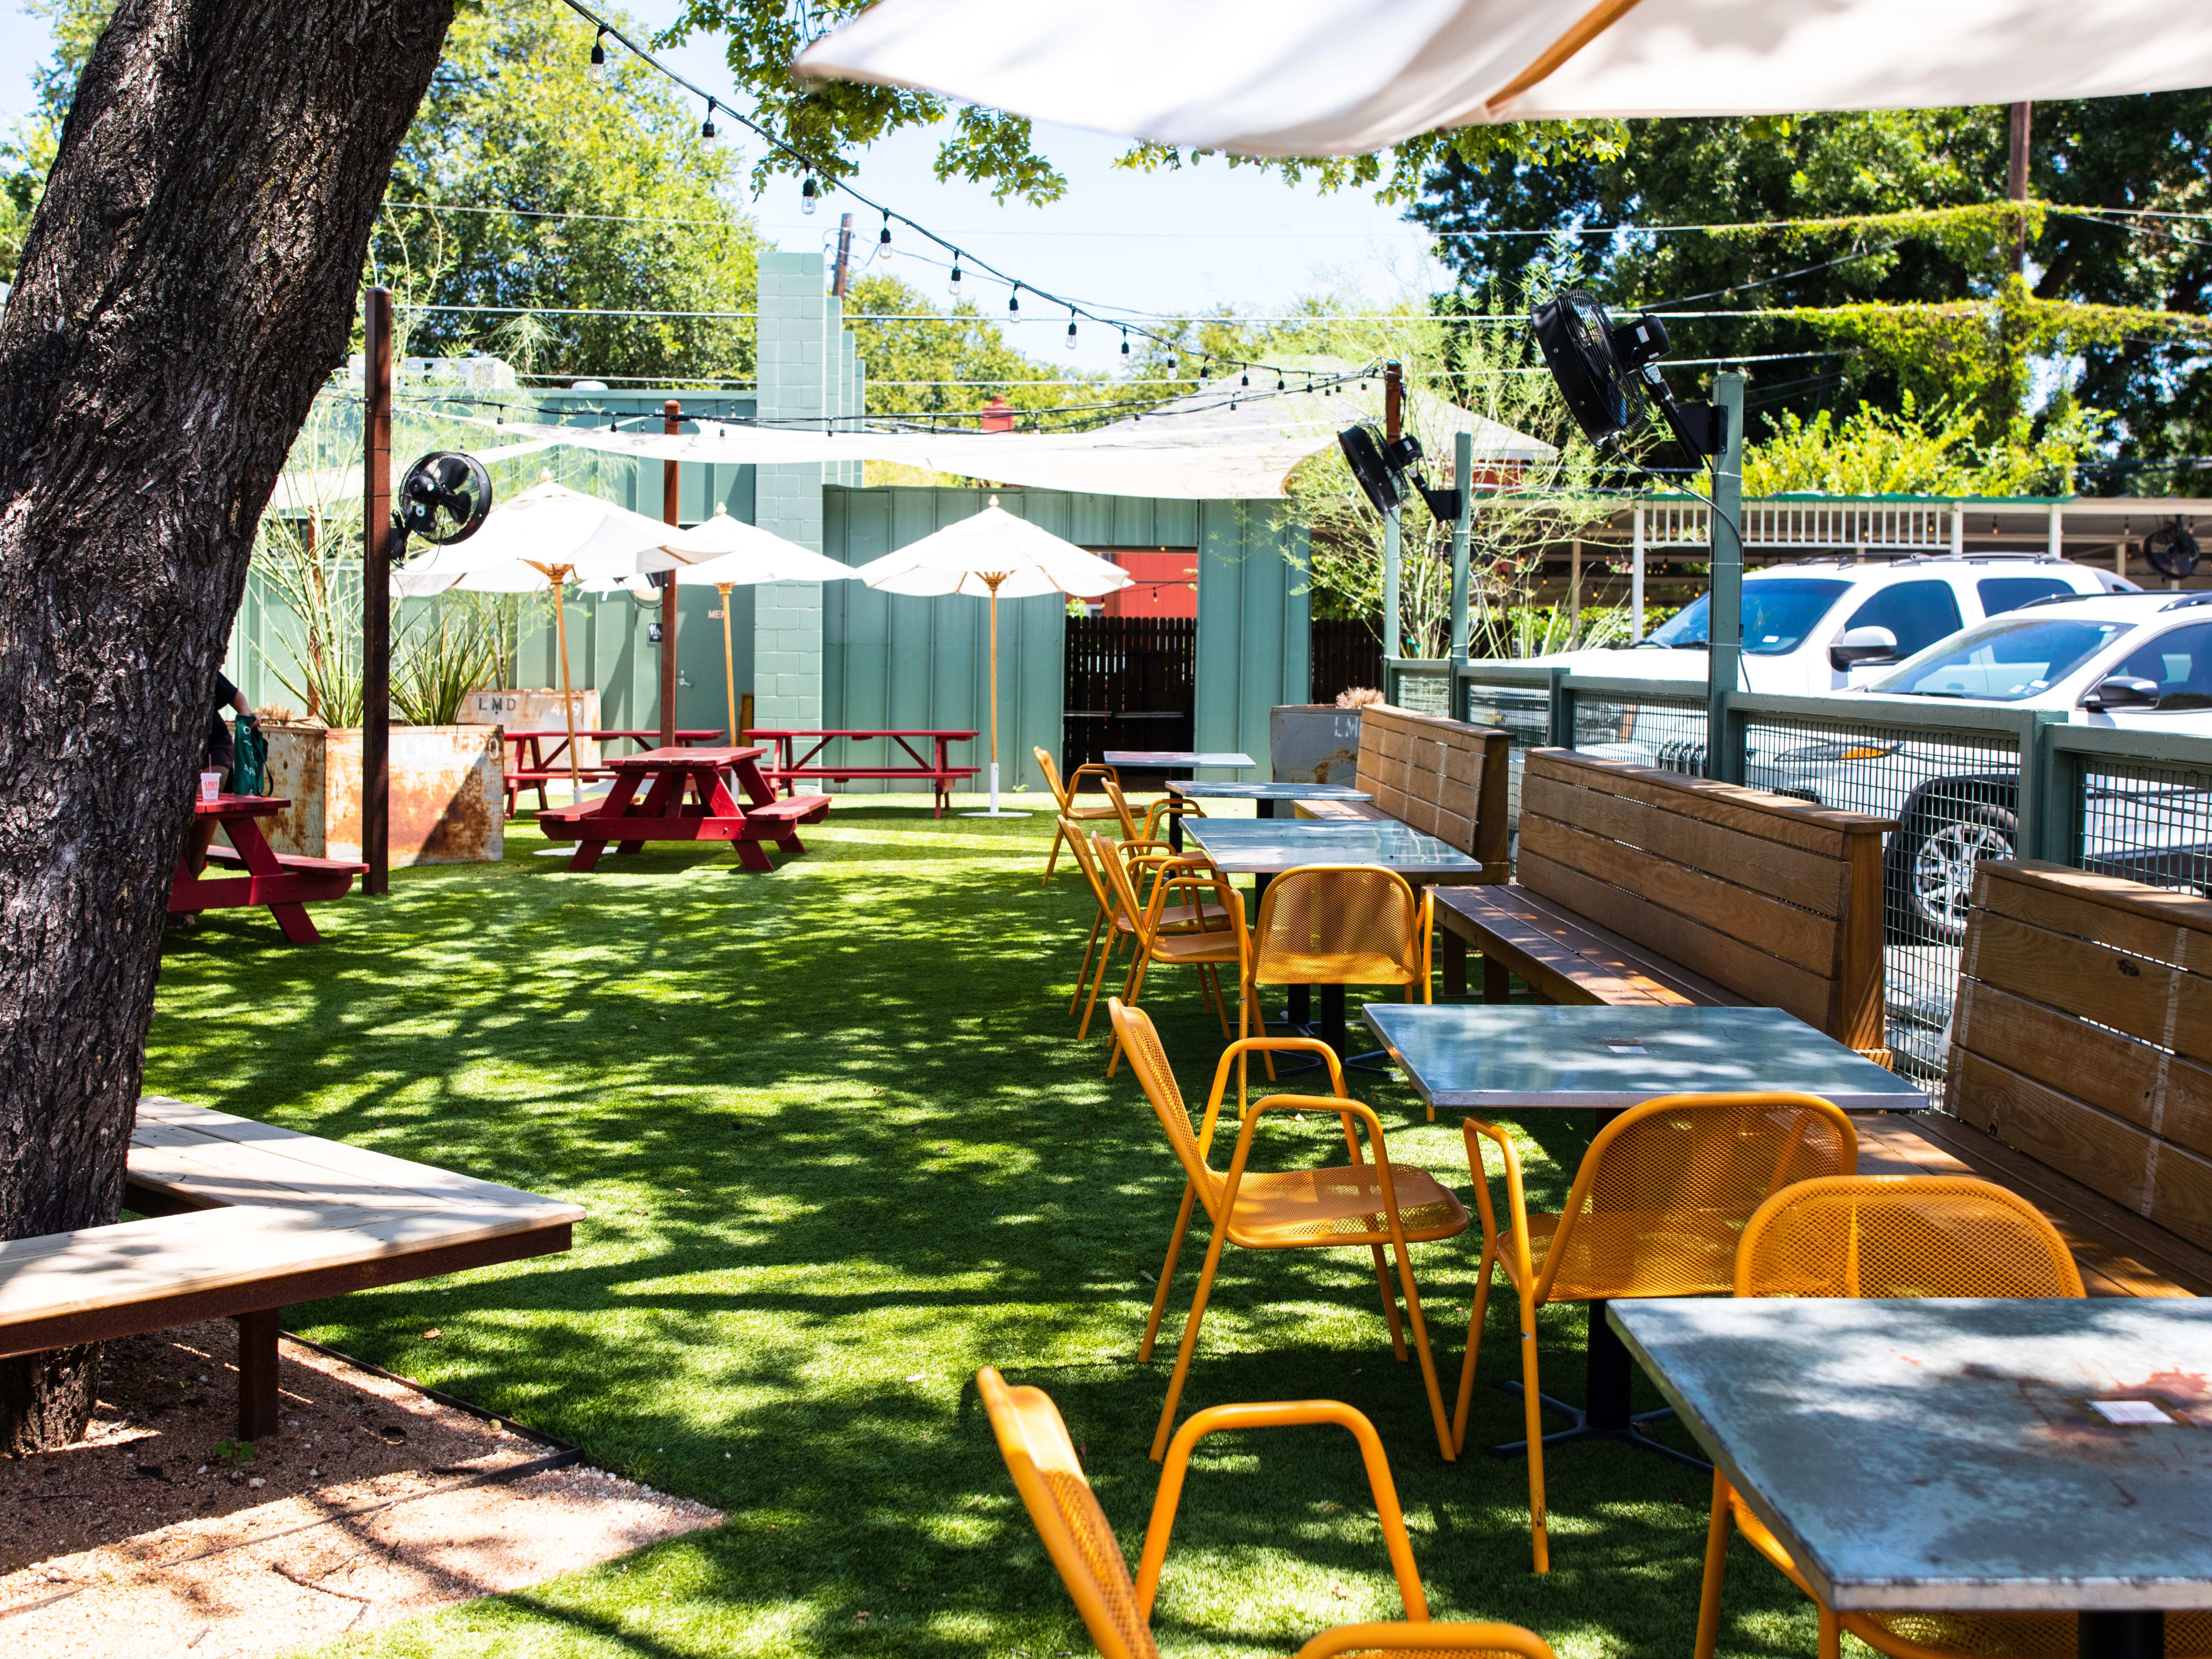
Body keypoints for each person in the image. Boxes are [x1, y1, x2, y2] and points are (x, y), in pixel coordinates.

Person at [207, 671, 253, 786]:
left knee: (208, 791)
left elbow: (235, 695)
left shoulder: (200, 667)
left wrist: (245, 713)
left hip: (215, 745)